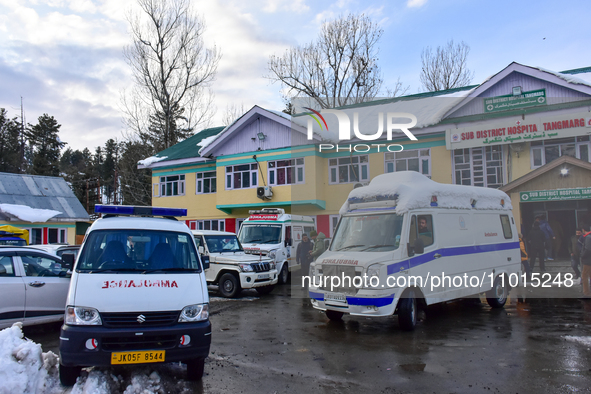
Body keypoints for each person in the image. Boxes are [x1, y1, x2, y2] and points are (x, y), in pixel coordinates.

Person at [580, 224, 591, 298]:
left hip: (588, 260)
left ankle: (586, 293)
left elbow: (588, 249)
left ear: (583, 230)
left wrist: (582, 255)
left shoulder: (588, 238)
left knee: (584, 276)